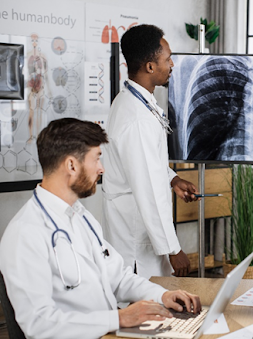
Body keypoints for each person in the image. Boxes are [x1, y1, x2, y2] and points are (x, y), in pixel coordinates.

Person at [0, 118, 201, 339]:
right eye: (96, 159)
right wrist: (119, 318)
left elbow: (118, 277)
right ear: (72, 165)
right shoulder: (25, 233)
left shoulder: (81, 217)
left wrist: (163, 295)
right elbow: (38, 324)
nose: (101, 169)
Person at [102, 24, 199, 279]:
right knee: (142, 307)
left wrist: (174, 179)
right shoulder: (136, 118)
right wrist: (173, 248)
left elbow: (147, 162)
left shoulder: (134, 102)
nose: (172, 65)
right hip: (135, 240)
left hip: (139, 229)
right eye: (167, 59)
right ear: (150, 66)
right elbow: (148, 187)